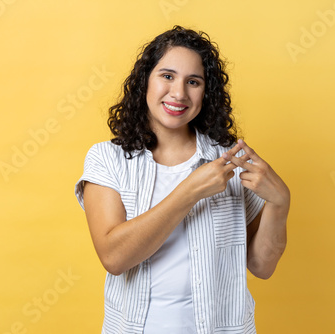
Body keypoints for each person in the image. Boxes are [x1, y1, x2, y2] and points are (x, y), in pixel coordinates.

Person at [75, 25, 290, 334]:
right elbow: (114, 257)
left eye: (193, 82)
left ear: (206, 92)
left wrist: (280, 204)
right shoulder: (107, 158)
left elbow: (261, 266)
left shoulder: (229, 159)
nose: (179, 93)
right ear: (144, 81)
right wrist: (189, 191)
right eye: (167, 76)